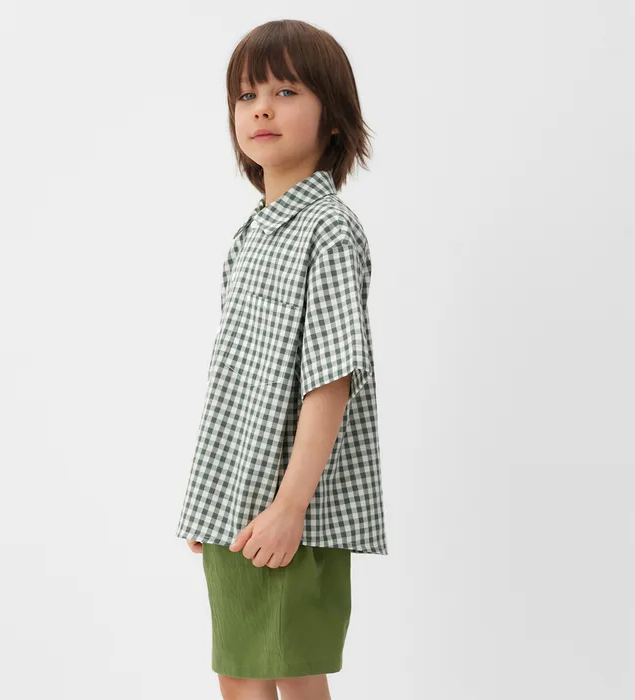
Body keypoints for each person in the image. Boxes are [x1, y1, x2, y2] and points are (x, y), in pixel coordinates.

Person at [175, 18, 388, 700]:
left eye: (286, 91)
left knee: (290, 670)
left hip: (292, 506)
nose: (261, 108)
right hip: (239, 503)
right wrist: (214, 501)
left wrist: (289, 506)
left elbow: (332, 378)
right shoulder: (252, 235)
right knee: (240, 672)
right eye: (247, 95)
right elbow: (238, 382)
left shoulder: (328, 230)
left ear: (334, 119)